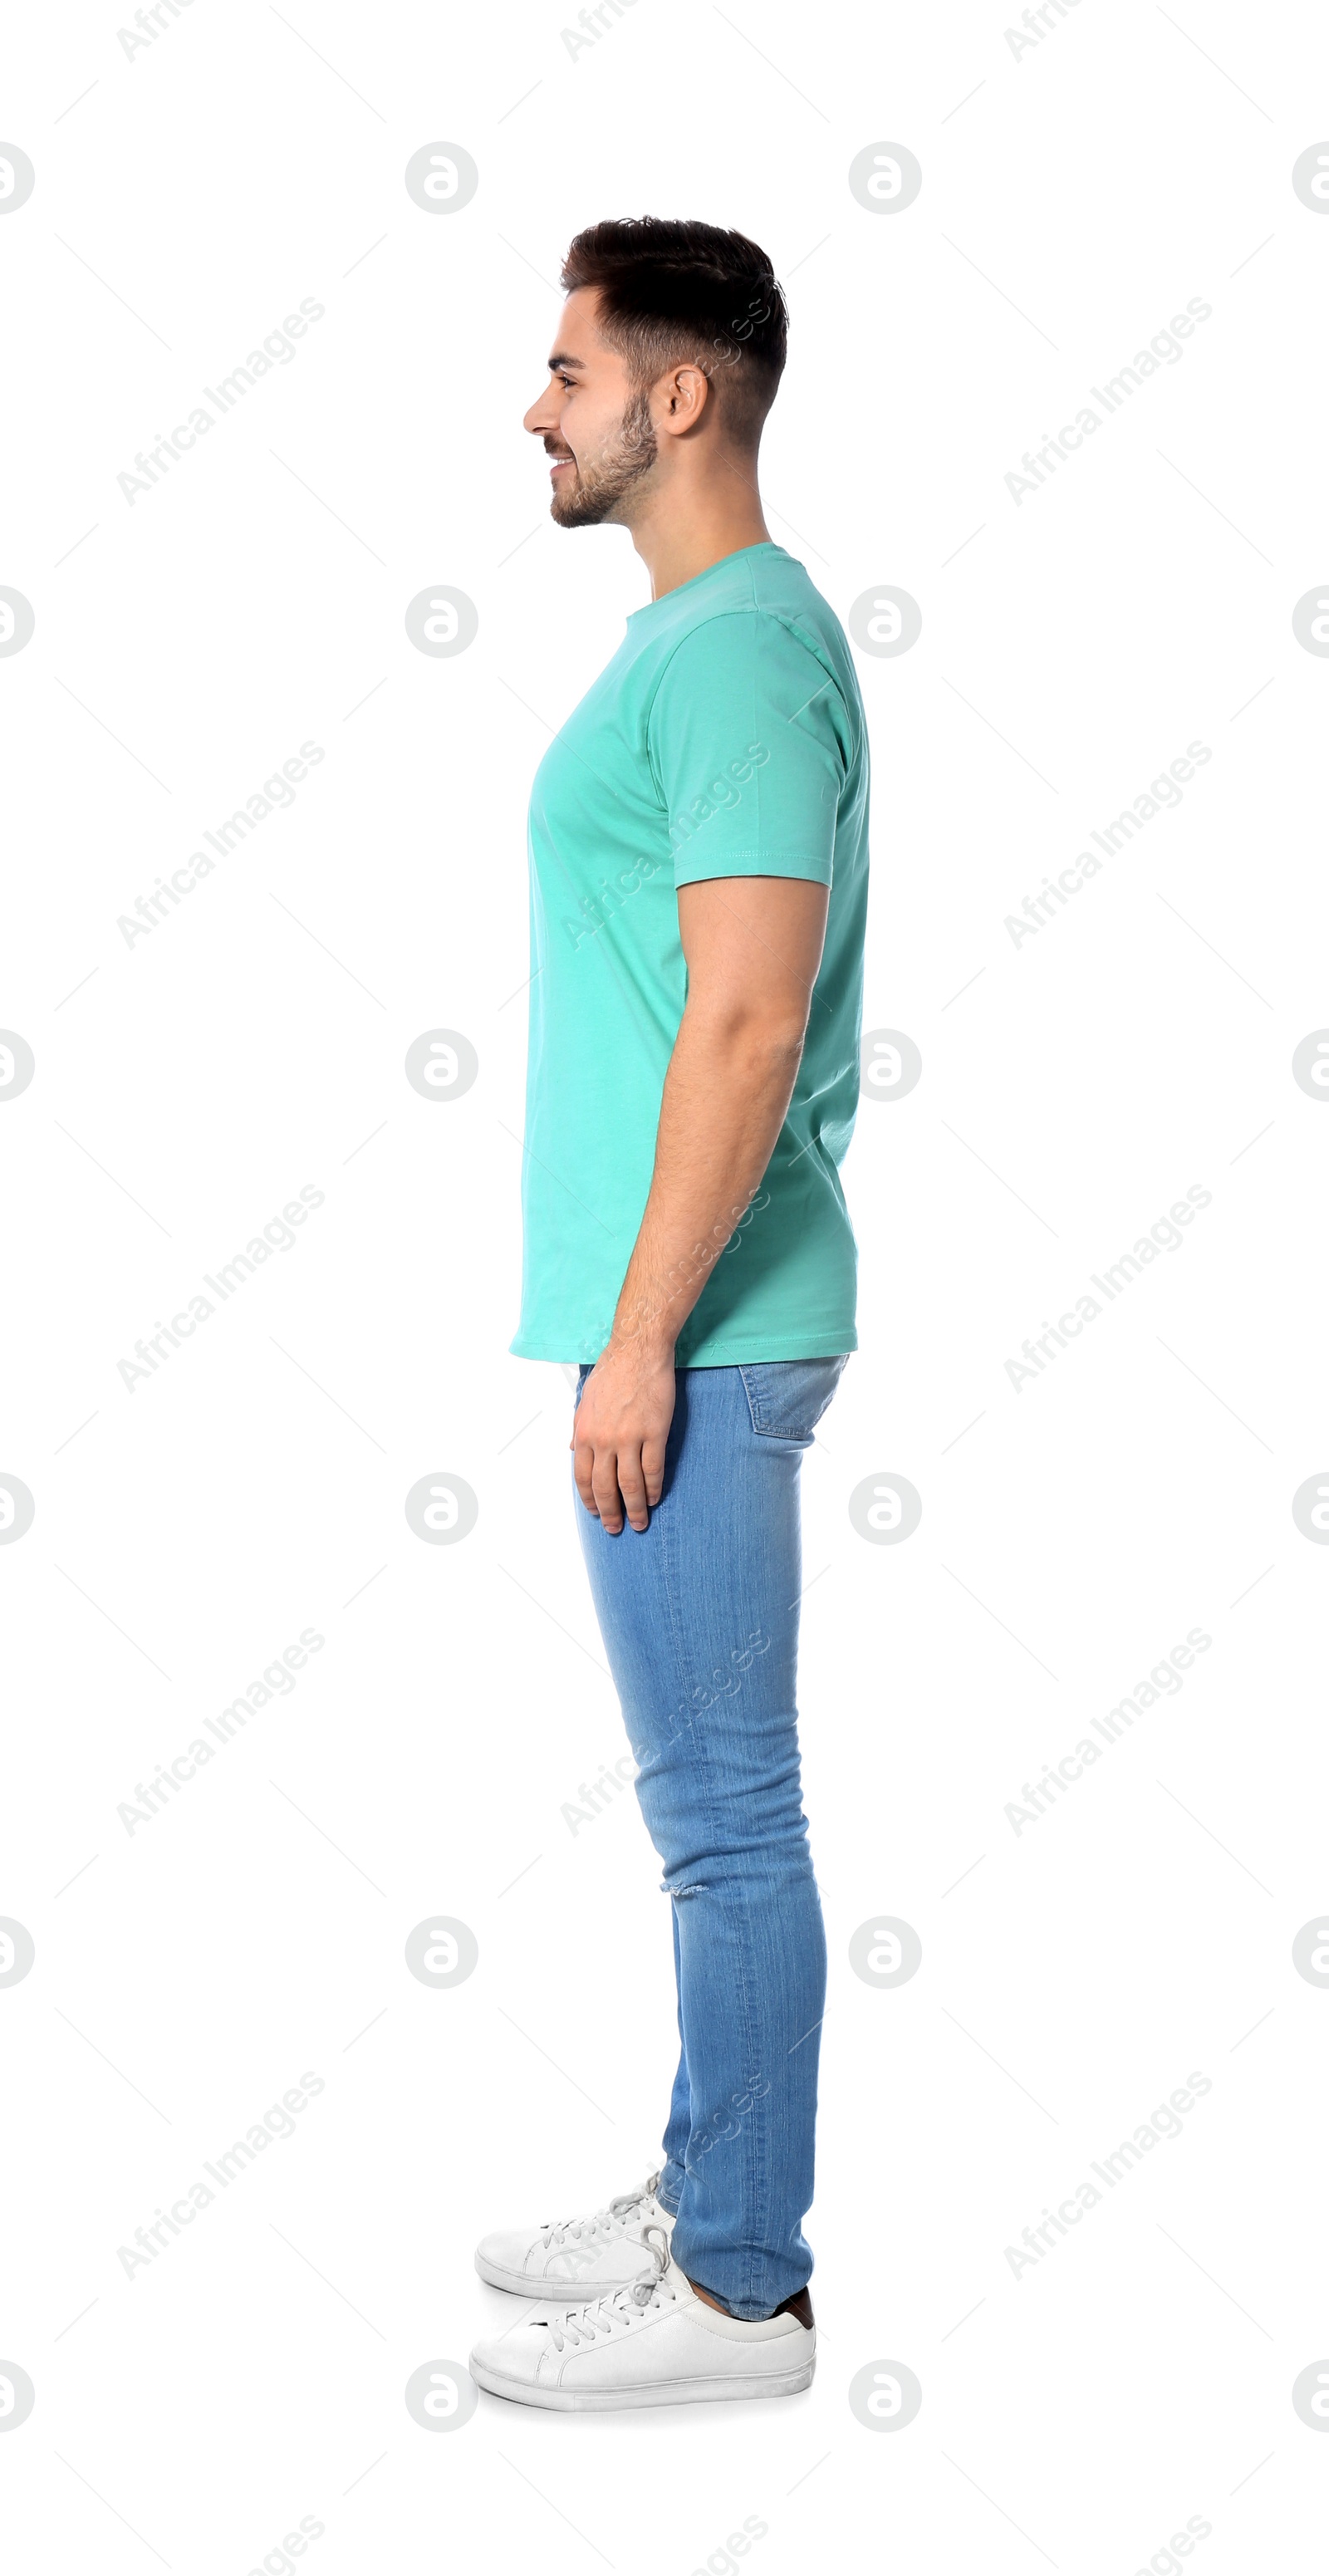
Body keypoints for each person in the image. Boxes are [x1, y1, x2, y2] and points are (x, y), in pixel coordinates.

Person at [469, 216, 870, 2411]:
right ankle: (712, 2177)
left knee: (726, 1814)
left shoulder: (730, 651)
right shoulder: (707, 638)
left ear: (679, 393)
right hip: (686, 1320)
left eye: (566, 367)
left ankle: (740, 2288)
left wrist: (639, 1338)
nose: (536, 405)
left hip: (705, 1329)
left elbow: (745, 1023)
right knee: (711, 1804)